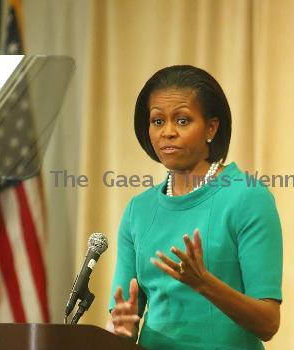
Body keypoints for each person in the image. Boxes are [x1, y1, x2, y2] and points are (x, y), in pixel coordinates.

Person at [107, 65, 283, 350]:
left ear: (211, 128)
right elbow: (126, 321)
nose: (168, 133)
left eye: (183, 120)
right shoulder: (138, 210)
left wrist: (204, 284)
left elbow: (268, 323)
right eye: (157, 121)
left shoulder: (248, 197)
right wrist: (121, 328)